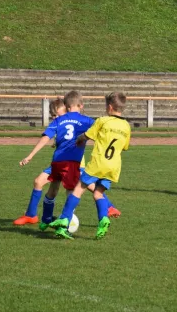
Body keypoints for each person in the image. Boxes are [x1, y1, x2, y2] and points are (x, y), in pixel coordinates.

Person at [14, 91, 102, 229]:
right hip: (63, 161)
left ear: (66, 108)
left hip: (69, 161)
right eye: (54, 115)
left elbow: (47, 137)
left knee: (81, 187)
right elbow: (99, 129)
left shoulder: (66, 121)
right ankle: (45, 219)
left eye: (57, 114)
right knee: (54, 187)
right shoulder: (78, 120)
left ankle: (105, 208)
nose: (56, 117)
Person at [50, 92, 131, 240]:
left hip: (98, 164)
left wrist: (79, 139)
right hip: (113, 167)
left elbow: (87, 135)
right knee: (98, 194)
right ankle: (103, 220)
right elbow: (125, 147)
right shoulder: (126, 126)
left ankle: (64, 220)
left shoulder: (102, 121)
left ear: (110, 107)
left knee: (77, 189)